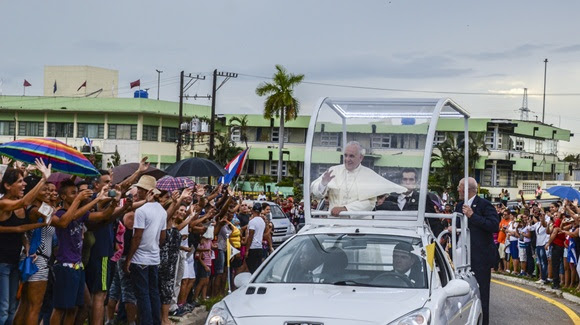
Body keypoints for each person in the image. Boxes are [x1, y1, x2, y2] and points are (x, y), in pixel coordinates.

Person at [311, 141, 405, 216]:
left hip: (359, 226)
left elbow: (370, 203)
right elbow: (316, 192)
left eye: (351, 156)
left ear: (360, 157)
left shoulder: (369, 174)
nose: (347, 159)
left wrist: (345, 209)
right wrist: (323, 184)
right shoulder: (333, 171)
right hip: (334, 224)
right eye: (346, 155)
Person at [455, 177, 499, 325]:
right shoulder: (459, 206)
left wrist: (472, 216)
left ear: (468, 189)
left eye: (459, 187)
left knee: (481, 294)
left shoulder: (485, 205)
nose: (457, 190)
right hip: (461, 257)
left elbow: (493, 226)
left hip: (480, 258)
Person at [124, 175, 166, 325]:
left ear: (145, 191)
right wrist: (154, 247)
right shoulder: (162, 211)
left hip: (140, 258)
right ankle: (156, 321)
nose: (138, 192)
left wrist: (129, 258)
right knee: (153, 293)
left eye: (140, 189)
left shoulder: (142, 211)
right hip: (154, 257)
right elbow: (162, 237)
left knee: (143, 295)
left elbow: (137, 237)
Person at [245, 202, 266, 273]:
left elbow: (250, 236)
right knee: (257, 269)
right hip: (259, 247)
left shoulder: (252, 222)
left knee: (252, 269)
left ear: (252, 211)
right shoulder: (262, 221)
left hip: (252, 248)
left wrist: (247, 250)